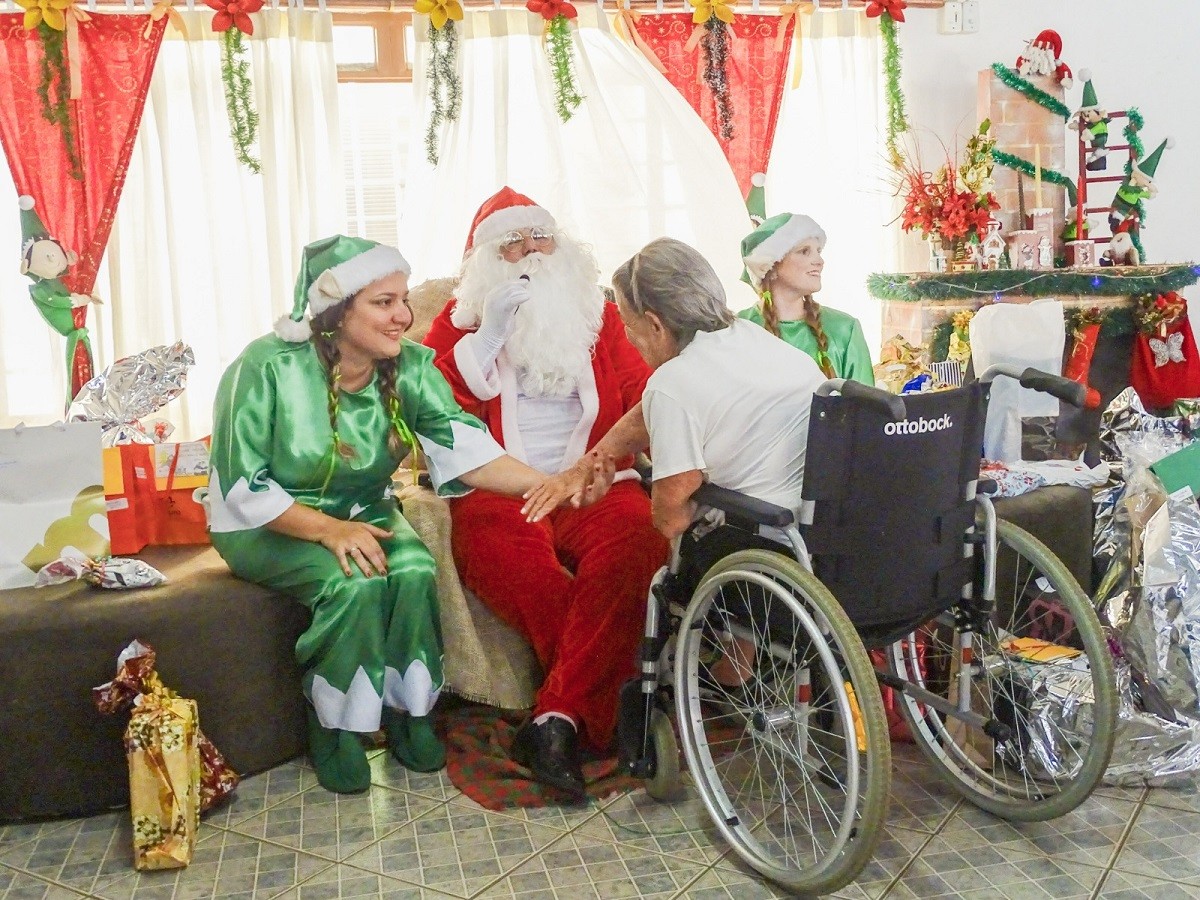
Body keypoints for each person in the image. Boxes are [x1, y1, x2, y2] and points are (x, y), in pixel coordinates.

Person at [208, 234, 568, 796]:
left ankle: (409, 713)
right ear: (335, 310)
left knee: (415, 570)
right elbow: (239, 485)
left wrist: (550, 484)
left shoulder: (412, 369)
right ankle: (335, 728)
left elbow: (467, 451)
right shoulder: (265, 367)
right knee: (354, 583)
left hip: (364, 510)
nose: (404, 315)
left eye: (403, 299)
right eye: (384, 302)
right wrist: (329, 531)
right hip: (264, 520)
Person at [422, 187, 668, 800]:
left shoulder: (602, 318)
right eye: (512, 241)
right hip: (504, 490)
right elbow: (434, 412)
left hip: (595, 477)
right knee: (524, 572)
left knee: (639, 544)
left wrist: (603, 462)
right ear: (484, 260)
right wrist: (487, 338)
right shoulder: (455, 326)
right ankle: (607, 713)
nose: (530, 251)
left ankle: (554, 719)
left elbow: (647, 398)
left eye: (540, 237)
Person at [739, 213, 874, 385]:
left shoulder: (844, 329)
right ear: (771, 266)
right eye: (804, 251)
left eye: (818, 251)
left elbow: (867, 408)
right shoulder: (740, 329)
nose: (819, 261)